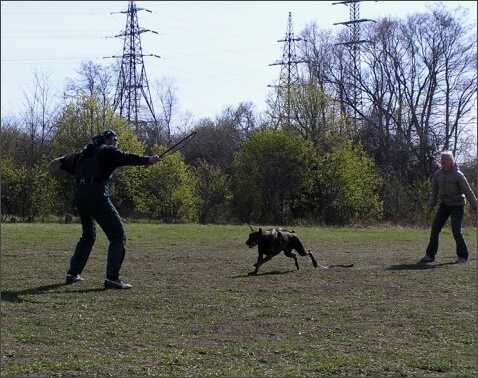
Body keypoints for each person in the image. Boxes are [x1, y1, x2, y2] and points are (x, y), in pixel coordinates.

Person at [65, 129, 161, 289]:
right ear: (109, 140)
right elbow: (126, 157)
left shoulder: (82, 154)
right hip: (96, 194)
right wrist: (148, 160)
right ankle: (112, 278)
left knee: (88, 236)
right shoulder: (107, 150)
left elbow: (64, 165)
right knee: (118, 235)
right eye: (116, 140)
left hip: (79, 195)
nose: (117, 144)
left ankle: (72, 273)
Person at [421, 150, 477, 264]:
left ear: (452, 162)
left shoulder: (458, 175)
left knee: (456, 231)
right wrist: (430, 206)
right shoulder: (438, 174)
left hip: (457, 205)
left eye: (446, 160)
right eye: (442, 160)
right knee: (435, 229)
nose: (443, 162)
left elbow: (467, 191)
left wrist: (476, 206)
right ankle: (430, 255)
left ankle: (462, 256)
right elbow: (434, 192)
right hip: (444, 205)